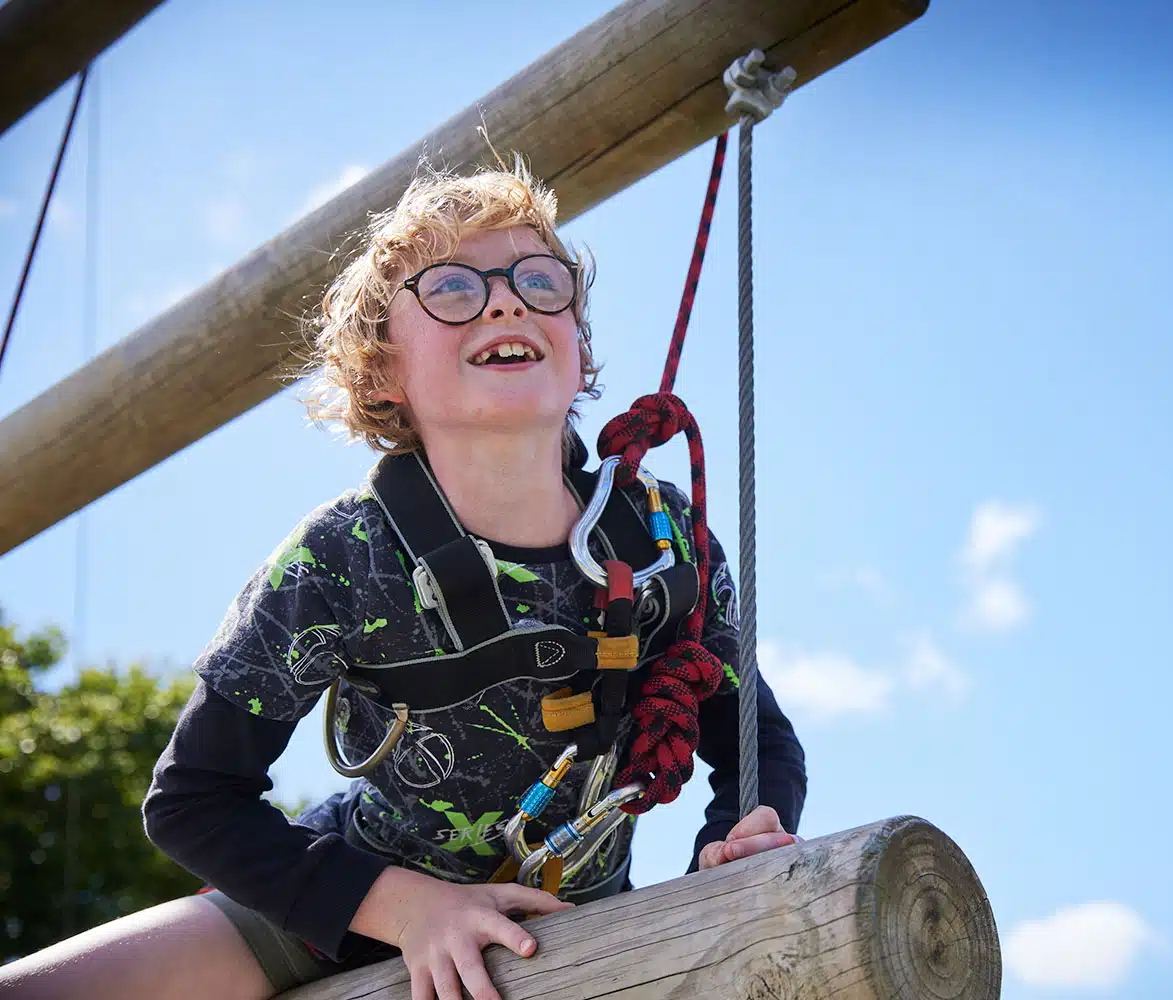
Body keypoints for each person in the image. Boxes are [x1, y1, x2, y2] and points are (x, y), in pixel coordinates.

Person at [0, 157, 807, 1000]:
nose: (505, 301)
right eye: (453, 289)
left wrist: (734, 842)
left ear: (577, 350)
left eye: (541, 281)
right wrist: (409, 910)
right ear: (384, 372)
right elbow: (192, 799)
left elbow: (758, 741)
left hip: (583, 918)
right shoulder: (341, 558)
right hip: (349, 900)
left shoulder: (662, 536)